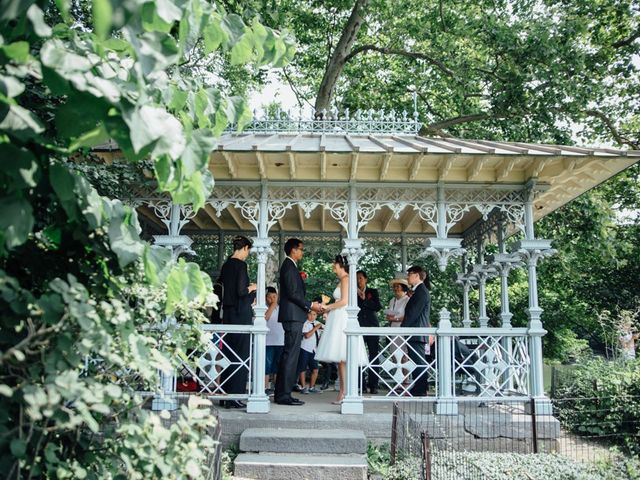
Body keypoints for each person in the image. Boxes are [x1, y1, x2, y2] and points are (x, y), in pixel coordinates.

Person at [274, 238, 323, 406]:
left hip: (294, 316)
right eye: (301, 249)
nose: (303, 252)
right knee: (290, 356)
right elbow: (293, 293)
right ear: (293, 250)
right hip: (292, 317)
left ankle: (284, 392)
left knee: (290, 355)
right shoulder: (288, 266)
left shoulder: (291, 267)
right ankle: (283, 395)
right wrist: (311, 305)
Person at [316, 255, 368, 404]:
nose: (333, 267)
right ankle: (343, 391)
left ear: (340, 265)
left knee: (344, 358)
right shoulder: (343, 280)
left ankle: (346, 392)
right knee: (341, 360)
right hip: (337, 317)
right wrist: (328, 310)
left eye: (335, 264)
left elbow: (344, 301)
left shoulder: (346, 279)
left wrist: (327, 306)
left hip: (343, 319)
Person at [218, 235, 257, 409]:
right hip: (241, 316)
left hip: (228, 315)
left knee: (228, 354)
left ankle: (225, 395)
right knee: (241, 356)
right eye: (248, 251)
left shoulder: (226, 265)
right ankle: (236, 395)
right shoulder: (241, 265)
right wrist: (253, 287)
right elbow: (242, 291)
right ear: (245, 248)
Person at [401, 265, 431, 397]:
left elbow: (413, 313)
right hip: (415, 331)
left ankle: (420, 389)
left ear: (417, 275)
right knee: (416, 360)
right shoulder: (419, 291)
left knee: (419, 361)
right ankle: (419, 387)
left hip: (417, 331)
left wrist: (403, 328)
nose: (407, 277)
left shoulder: (421, 291)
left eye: (409, 274)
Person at [357, 270, 382, 394]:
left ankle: (373, 384)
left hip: (372, 326)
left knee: (374, 355)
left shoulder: (373, 292)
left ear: (366, 279)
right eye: (357, 278)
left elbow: (377, 306)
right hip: (358, 327)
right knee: (358, 355)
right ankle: (360, 384)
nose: (358, 280)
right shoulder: (352, 292)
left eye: (361, 278)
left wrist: (364, 300)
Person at [385, 278, 411, 389]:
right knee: (394, 355)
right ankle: (398, 380)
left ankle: (405, 381)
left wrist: (395, 319)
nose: (395, 289)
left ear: (403, 288)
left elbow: (408, 316)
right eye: (394, 286)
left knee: (404, 356)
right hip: (393, 330)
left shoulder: (407, 300)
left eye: (397, 286)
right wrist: (389, 318)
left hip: (402, 329)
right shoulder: (392, 300)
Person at [297, 310, 322, 393]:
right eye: (310, 314)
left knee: (315, 369)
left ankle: (312, 387)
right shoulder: (305, 323)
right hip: (305, 348)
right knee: (303, 368)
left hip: (314, 349)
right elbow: (307, 335)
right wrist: (315, 328)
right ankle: (303, 387)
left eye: (314, 314)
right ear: (307, 314)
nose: (312, 316)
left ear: (316, 315)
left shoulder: (318, 323)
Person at [264, 286, 283, 395]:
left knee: (278, 367)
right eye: (270, 297)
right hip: (268, 342)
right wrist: (272, 305)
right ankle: (265, 388)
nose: (272, 299)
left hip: (280, 341)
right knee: (267, 366)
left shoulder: (281, 308)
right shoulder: (264, 308)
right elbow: (265, 318)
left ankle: (277, 389)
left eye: (274, 297)